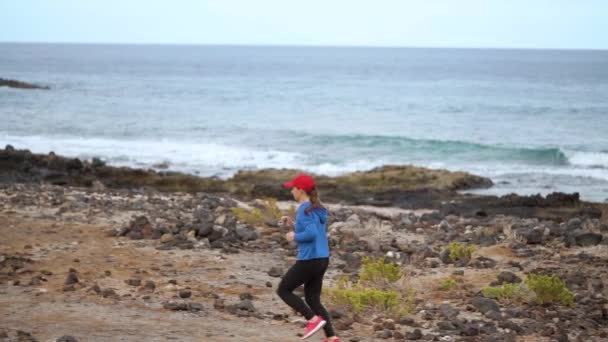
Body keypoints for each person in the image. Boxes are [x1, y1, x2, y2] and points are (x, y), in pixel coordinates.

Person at [277, 173, 340, 341]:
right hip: (322, 259)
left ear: (301, 190)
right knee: (313, 299)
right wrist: (294, 225)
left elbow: (311, 234)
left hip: (309, 259)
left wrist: (293, 236)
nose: (291, 192)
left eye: (293, 188)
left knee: (283, 290)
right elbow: (313, 229)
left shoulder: (304, 209)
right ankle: (332, 337)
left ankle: (312, 320)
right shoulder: (316, 207)